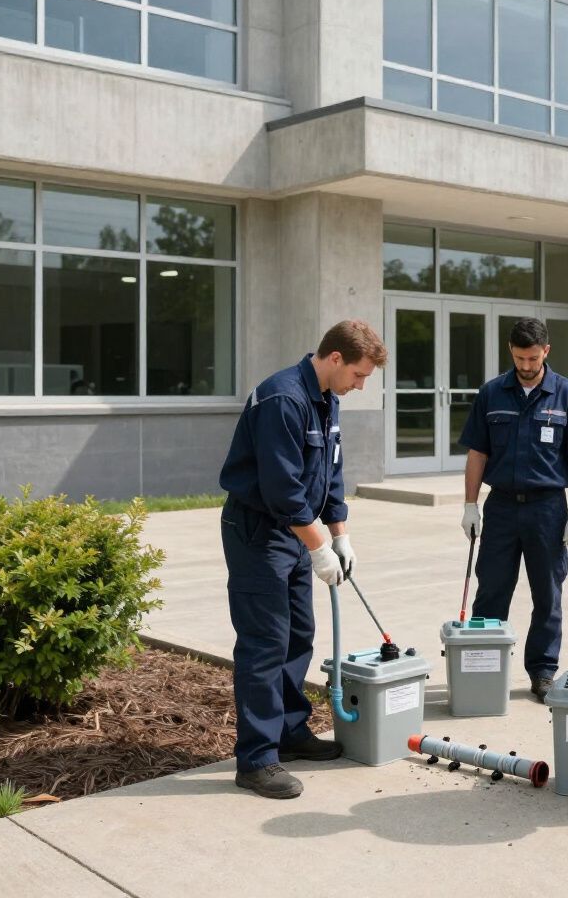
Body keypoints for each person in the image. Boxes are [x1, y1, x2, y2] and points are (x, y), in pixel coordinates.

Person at [219, 320, 387, 799]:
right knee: (264, 643)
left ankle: (289, 732)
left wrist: (340, 535)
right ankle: (256, 760)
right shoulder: (284, 399)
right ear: (335, 359)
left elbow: (330, 473)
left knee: (298, 635)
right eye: (358, 375)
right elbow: (283, 489)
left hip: (296, 532)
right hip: (259, 533)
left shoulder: (325, 397)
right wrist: (316, 545)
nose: (359, 386)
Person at [459, 317, 568, 702]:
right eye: (520, 357)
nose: (526, 365)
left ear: (546, 352)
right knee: (491, 592)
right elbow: (477, 452)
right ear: (510, 351)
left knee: (547, 595)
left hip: (547, 510)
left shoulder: (566, 395)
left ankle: (542, 671)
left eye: (533, 358)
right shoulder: (492, 393)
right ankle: (484, 669)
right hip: (501, 507)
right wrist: (470, 504)